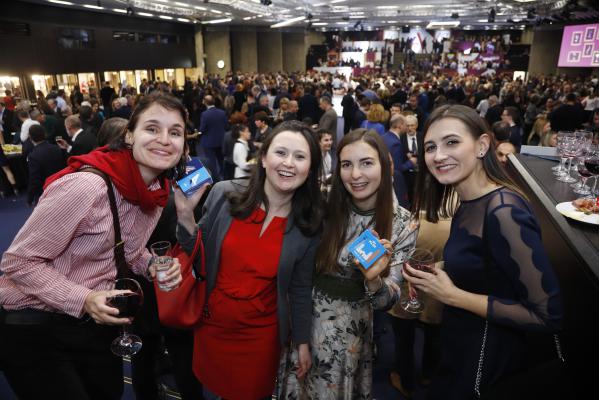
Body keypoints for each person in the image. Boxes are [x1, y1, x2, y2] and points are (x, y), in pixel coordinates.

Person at [0, 92, 186, 400]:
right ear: (129, 136)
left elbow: (126, 250)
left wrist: (152, 264)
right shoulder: (86, 187)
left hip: (94, 324)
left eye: (175, 132)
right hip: (36, 324)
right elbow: (18, 262)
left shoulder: (153, 193)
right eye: (152, 128)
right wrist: (84, 299)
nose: (165, 140)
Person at [405, 104, 563, 399]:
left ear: (482, 145)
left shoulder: (504, 211)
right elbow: (486, 263)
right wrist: (442, 267)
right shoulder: (468, 200)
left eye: (451, 142)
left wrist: (451, 295)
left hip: (487, 360)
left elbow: (548, 315)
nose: (438, 156)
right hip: (460, 342)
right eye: (430, 147)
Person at [173, 120, 325, 400]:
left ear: (310, 168)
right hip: (212, 324)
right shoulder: (224, 194)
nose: (288, 163)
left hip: (260, 337)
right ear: (264, 158)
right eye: (281, 152)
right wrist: (185, 217)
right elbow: (199, 255)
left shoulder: (309, 223)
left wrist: (302, 341)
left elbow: (301, 288)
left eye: (300, 156)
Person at [279, 128, 419, 399]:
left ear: (384, 165)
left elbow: (388, 300)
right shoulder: (324, 202)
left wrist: (373, 280)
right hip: (304, 315)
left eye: (366, 163)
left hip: (352, 327)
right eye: (346, 164)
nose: (355, 174)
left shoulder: (403, 223)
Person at [26, 124, 66, 206]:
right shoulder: (57, 148)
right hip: (61, 187)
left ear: (30, 137)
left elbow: (34, 179)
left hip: (45, 192)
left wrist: (30, 198)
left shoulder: (33, 156)